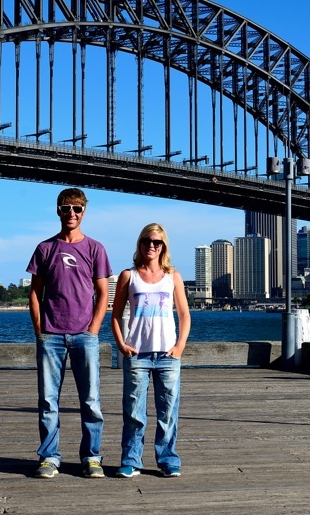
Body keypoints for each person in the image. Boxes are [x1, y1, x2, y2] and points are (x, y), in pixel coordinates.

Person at [26, 187, 112, 479]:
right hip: (51, 336)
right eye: (66, 208)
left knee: (91, 401)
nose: (71, 213)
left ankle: (92, 457)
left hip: (84, 336)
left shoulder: (95, 249)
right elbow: (35, 293)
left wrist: (93, 329)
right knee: (48, 401)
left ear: (84, 212)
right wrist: (40, 330)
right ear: (58, 211)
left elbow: (103, 294)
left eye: (77, 208)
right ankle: (49, 457)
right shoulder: (45, 248)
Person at [110, 223, 191, 478]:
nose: (151, 246)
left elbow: (184, 314)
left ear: (163, 246)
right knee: (134, 412)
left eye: (157, 242)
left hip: (167, 355)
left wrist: (180, 346)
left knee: (168, 413)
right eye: (147, 241)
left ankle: (167, 459)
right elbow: (115, 315)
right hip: (137, 355)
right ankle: (131, 460)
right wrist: (121, 344)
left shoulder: (173, 276)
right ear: (140, 243)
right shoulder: (128, 275)